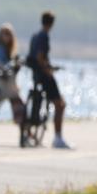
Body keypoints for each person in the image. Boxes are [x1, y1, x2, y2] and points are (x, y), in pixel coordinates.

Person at [26, 11, 71, 149]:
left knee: (46, 102)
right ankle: (58, 138)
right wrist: (48, 71)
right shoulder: (44, 36)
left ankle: (29, 131)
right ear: (51, 23)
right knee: (60, 104)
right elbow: (40, 57)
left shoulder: (35, 36)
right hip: (44, 76)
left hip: (36, 75)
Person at [0, 23, 24, 125]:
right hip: (4, 84)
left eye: (9, 34)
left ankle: (25, 129)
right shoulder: (0, 50)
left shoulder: (9, 51)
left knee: (17, 103)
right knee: (18, 104)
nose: (7, 37)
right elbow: (1, 66)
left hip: (7, 83)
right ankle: (24, 128)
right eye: (5, 34)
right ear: (0, 36)